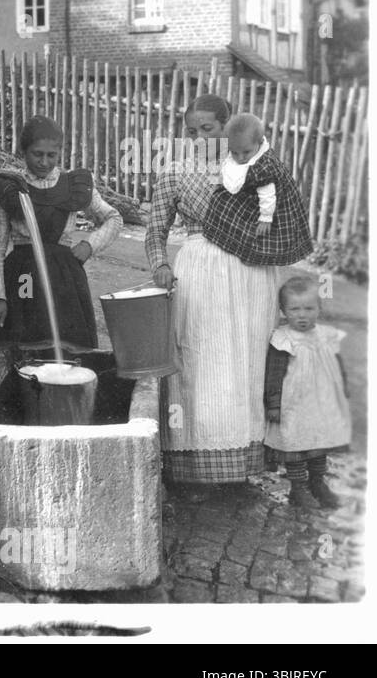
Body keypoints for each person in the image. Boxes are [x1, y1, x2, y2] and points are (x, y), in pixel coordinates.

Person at [146, 94, 281, 496]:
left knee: (246, 363)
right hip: (200, 273)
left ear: (228, 126)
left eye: (208, 129)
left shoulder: (254, 167)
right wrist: (161, 266)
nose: (199, 137)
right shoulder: (174, 172)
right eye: (191, 131)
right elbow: (155, 232)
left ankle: (241, 464)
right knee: (201, 363)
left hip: (250, 275)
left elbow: (279, 215)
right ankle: (195, 469)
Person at [0, 115, 123, 349]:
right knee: (26, 336)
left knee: (67, 342)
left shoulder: (73, 185)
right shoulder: (9, 187)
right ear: (23, 152)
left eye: (51, 155)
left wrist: (90, 245)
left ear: (60, 153)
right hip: (24, 277)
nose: (44, 162)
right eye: (37, 154)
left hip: (64, 277)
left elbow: (113, 218)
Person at [264, 276, 349, 508]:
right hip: (293, 406)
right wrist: (273, 404)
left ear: (319, 308)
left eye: (309, 308)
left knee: (319, 443)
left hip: (321, 404)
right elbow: (274, 373)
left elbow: (337, 365)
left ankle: (317, 482)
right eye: (295, 309)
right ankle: (298, 488)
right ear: (283, 310)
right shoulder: (284, 339)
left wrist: (343, 392)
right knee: (296, 446)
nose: (302, 315)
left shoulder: (325, 336)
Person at [201, 113, 313, 267]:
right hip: (253, 193)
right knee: (220, 202)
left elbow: (268, 196)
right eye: (234, 152)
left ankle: (253, 256)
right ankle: (223, 238)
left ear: (259, 143)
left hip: (271, 203)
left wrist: (265, 218)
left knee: (259, 234)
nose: (240, 158)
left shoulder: (264, 167)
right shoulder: (241, 150)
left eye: (246, 152)